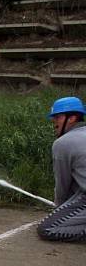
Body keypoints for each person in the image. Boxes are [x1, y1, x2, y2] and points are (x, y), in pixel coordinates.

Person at [37, 96, 86, 242]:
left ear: (71, 118)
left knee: (47, 228)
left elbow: (62, 185)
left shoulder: (63, 143)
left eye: (57, 117)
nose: (54, 122)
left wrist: (58, 208)